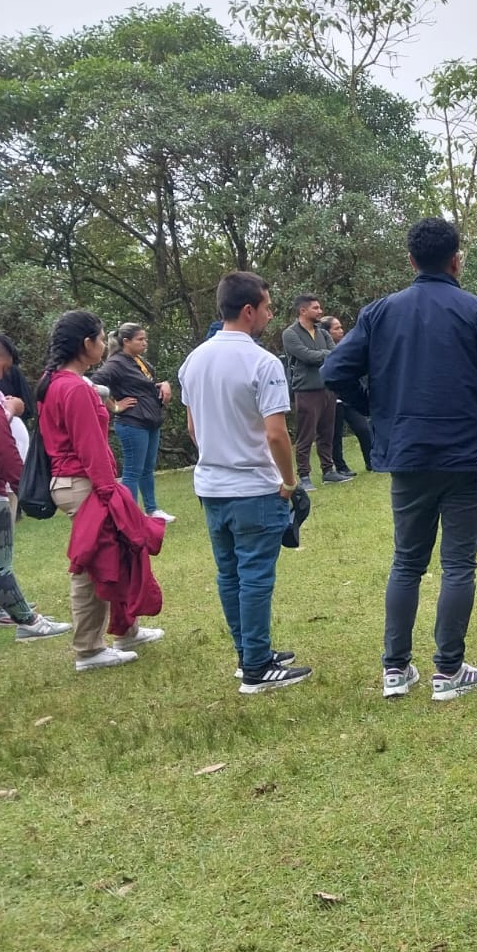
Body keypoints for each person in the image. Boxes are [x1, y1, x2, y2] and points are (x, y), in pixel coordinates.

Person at [324, 217, 477, 700]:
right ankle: (448, 671)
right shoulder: (476, 311)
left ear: (411, 260)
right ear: (457, 259)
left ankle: (396, 669)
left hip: (408, 452)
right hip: (466, 453)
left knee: (407, 561)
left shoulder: (379, 313)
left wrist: (378, 407)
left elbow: (335, 371)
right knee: (458, 563)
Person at [179, 273, 312, 694]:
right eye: (268, 307)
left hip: (212, 485)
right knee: (255, 576)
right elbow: (276, 433)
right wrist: (289, 481)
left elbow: (193, 427)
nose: (271, 316)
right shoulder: (263, 362)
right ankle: (256, 666)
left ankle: (248, 654)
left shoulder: (194, 360)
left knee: (230, 574)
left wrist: (218, 455)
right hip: (254, 486)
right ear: (249, 310)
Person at [35, 311, 166, 671]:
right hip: (85, 483)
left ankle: (127, 630)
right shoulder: (74, 387)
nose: (105, 343)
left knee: (118, 555)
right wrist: (111, 492)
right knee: (93, 565)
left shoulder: (57, 382)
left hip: (79, 482)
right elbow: (89, 445)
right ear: (86, 344)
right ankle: (89, 649)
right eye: (101, 337)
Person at [0, 331, 73, 642]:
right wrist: (23, 488)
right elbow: (1, 448)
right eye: (3, 368)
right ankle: (30, 623)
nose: (4, 375)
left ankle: (15, 613)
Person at [92, 323, 176, 522]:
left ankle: (152, 509)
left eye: (145, 339)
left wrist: (163, 385)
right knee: (133, 470)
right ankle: (130, 515)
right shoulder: (116, 363)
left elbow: (144, 385)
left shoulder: (137, 361)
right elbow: (94, 385)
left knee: (147, 469)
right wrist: (115, 406)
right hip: (132, 423)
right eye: (140, 339)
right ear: (126, 342)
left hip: (150, 421)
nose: (145, 343)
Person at [281, 295, 349, 489]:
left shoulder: (322, 332)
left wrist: (324, 355)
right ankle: (304, 476)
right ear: (303, 311)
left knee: (327, 433)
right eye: (316, 308)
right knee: (306, 434)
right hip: (306, 390)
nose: (320, 311)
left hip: (327, 388)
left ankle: (329, 471)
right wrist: (325, 355)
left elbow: (334, 353)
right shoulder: (290, 333)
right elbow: (305, 355)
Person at [321, 316, 372, 473]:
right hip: (331, 397)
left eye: (341, 327)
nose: (341, 331)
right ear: (327, 333)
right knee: (335, 435)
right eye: (336, 328)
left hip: (349, 399)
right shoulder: (329, 350)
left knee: (363, 428)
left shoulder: (350, 347)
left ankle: (372, 462)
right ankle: (341, 467)